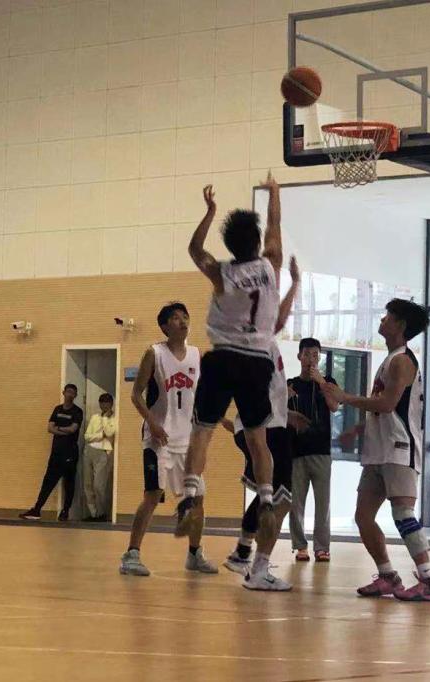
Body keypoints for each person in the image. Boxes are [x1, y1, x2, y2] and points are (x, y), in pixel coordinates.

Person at [178, 174, 288, 591]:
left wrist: (209, 213)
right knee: (259, 439)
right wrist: (274, 194)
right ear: (256, 242)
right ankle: (265, 496)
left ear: (229, 243)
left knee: (202, 431)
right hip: (258, 361)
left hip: (223, 358)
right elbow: (274, 227)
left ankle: (191, 489)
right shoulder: (271, 265)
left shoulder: (221, 272)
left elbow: (195, 250)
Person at [322, 299, 430, 602]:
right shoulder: (388, 359)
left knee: (402, 512)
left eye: (388, 316)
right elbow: (384, 409)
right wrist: (358, 429)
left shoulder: (402, 361)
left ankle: (429, 580)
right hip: (379, 449)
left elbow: (388, 404)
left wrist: (345, 397)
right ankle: (387, 575)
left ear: (400, 325)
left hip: (400, 449)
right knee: (363, 516)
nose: (382, 320)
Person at [119, 302, 217, 577]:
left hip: (187, 440)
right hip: (158, 438)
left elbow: (201, 397)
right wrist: (152, 423)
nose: (182, 321)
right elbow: (136, 394)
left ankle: (194, 554)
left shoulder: (196, 355)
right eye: (175, 318)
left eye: (185, 316)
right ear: (164, 326)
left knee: (198, 498)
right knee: (152, 496)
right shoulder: (155, 353)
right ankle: (131, 555)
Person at [221, 260, 303, 583]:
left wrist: (286, 414)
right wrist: (295, 284)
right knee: (281, 499)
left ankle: (243, 552)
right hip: (264, 430)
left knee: (267, 495)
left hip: (265, 425)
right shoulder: (252, 338)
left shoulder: (256, 339)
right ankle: (259, 568)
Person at [287, 337, 339, 562]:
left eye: (315, 355)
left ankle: (322, 547)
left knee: (323, 503)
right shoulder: (290, 384)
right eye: (307, 354)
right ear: (299, 356)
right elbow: (278, 414)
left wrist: (321, 382)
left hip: (321, 451)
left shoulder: (328, 382)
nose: (311, 359)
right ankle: (300, 546)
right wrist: (284, 397)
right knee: (295, 502)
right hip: (296, 452)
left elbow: (334, 406)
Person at [20, 384, 84, 522]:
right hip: (56, 452)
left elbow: (73, 429)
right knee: (48, 481)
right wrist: (63, 430)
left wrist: (58, 428)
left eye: (73, 392)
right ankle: (37, 509)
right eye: (68, 391)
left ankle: (65, 511)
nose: (70, 394)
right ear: (63, 392)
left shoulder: (77, 411)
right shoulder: (57, 409)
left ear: (76, 395)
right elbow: (50, 428)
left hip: (70, 452)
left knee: (69, 482)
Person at [83, 393, 117, 522]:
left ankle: (102, 513)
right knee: (88, 484)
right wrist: (100, 435)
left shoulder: (114, 418)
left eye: (107, 402)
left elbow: (109, 432)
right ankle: (93, 513)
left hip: (103, 452)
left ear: (111, 403)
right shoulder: (94, 417)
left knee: (98, 485)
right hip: (89, 450)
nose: (104, 405)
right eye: (102, 402)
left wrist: (105, 418)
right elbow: (87, 436)